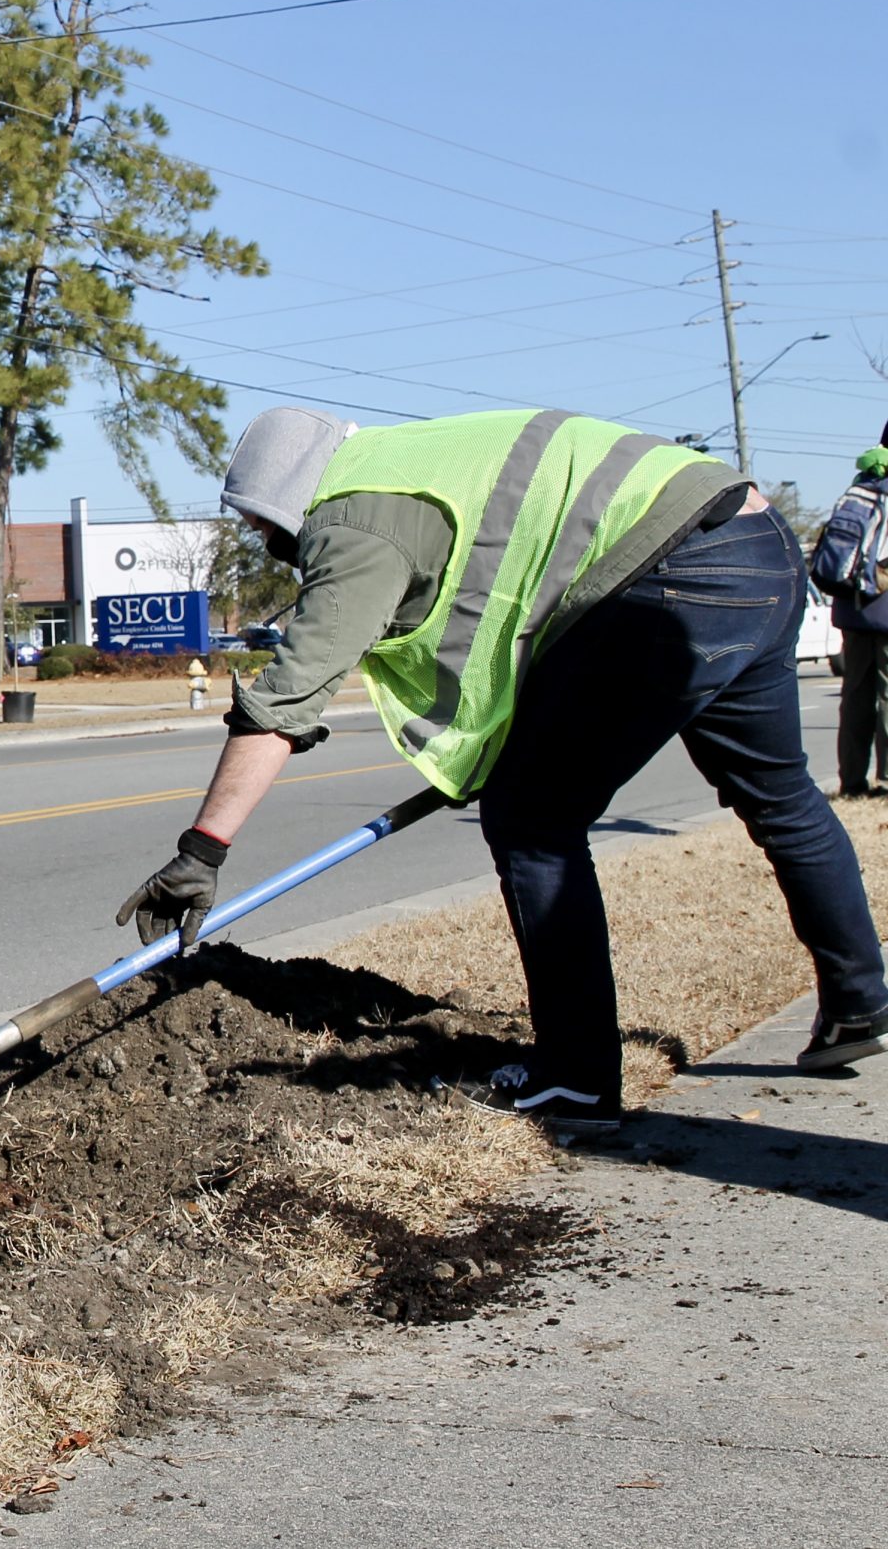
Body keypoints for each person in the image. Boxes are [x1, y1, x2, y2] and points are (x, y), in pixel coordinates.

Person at [115, 406, 888, 1135]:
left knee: (533, 819)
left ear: (283, 502)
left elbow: (283, 702)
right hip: (756, 543)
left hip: (678, 569)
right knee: (779, 793)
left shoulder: (352, 525)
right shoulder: (411, 463)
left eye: (257, 522)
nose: (261, 539)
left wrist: (202, 851)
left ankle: (577, 1078)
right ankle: (859, 999)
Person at [813, 439, 888, 796]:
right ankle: (887, 779)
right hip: (885, 608)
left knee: (855, 694)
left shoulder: (856, 490)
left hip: (852, 609)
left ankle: (852, 780)